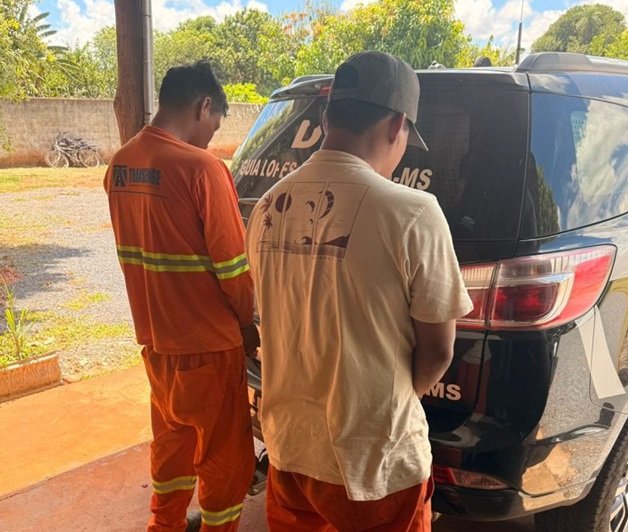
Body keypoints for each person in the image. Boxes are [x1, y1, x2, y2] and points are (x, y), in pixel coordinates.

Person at [246, 51, 473, 531]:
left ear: (327, 119)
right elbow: (438, 352)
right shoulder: (412, 212)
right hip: (377, 464)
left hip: (290, 450)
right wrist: (385, 405)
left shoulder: (266, 206)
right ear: (397, 126)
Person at [104, 61, 256, 532]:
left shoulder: (120, 164)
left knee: (172, 447)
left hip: (157, 345)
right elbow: (234, 269)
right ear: (204, 106)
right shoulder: (203, 169)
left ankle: (164, 525)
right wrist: (248, 325)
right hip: (210, 347)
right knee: (225, 462)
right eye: (216, 124)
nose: (210, 137)